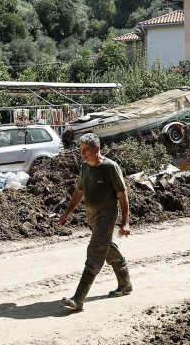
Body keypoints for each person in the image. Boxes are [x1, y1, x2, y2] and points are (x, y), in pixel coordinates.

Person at [59, 133, 132, 311]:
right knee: (108, 248)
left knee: (95, 253)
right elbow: (79, 191)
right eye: (81, 150)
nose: (82, 154)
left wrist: (125, 222)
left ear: (96, 149)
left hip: (106, 218)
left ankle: (78, 298)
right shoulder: (85, 167)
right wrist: (68, 211)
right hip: (92, 218)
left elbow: (123, 196)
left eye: (85, 150)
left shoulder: (110, 168)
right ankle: (125, 284)